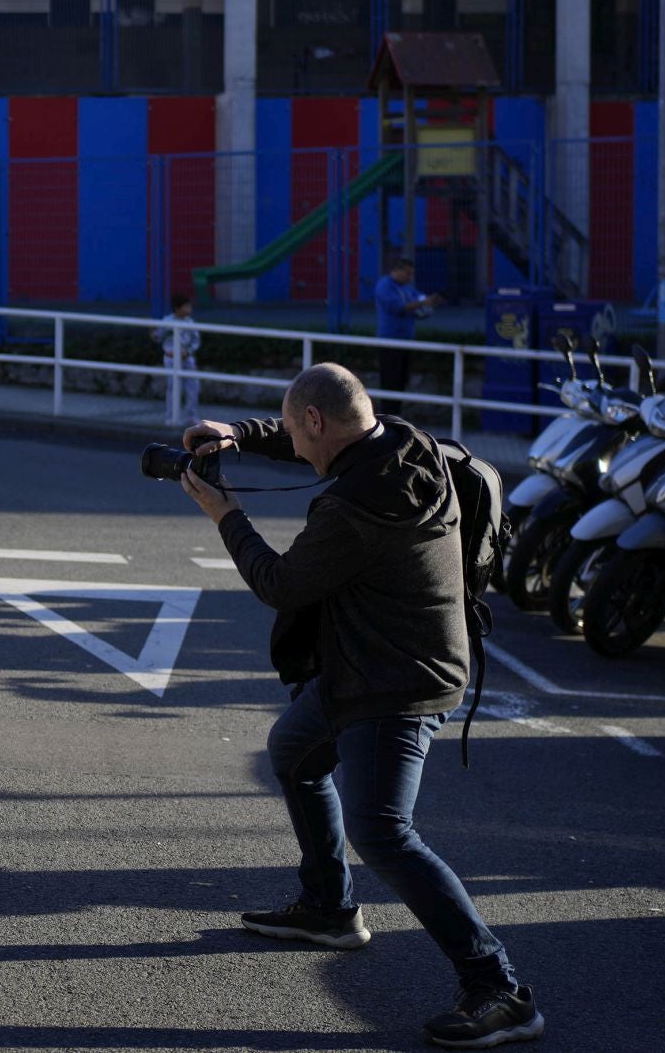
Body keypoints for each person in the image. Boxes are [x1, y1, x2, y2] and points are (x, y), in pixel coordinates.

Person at [177, 363, 543, 1050]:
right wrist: (241, 434)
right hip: (367, 666)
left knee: (382, 831)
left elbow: (281, 582)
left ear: (315, 422)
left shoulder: (355, 509)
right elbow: (313, 439)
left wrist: (226, 514)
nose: (291, 440)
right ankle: (328, 907)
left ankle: (499, 987)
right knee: (293, 753)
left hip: (394, 682)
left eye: (291, 428)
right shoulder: (401, 440)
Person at [374, 257, 442, 412]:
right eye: (407, 274)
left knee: (402, 380)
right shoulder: (384, 286)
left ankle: (395, 414)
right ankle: (387, 415)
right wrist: (423, 303)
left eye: (411, 274)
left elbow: (419, 301)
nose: (409, 277)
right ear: (396, 271)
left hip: (407, 340)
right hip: (389, 341)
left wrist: (430, 302)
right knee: (390, 381)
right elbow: (398, 307)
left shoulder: (408, 287)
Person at [156, 291, 202, 426]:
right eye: (186, 306)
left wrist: (188, 352)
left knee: (193, 386)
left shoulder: (191, 323)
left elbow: (196, 340)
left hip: (187, 358)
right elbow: (158, 337)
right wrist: (153, 332)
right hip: (171, 358)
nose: (189, 309)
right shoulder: (167, 322)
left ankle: (191, 416)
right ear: (177, 308)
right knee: (173, 387)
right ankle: (171, 417)